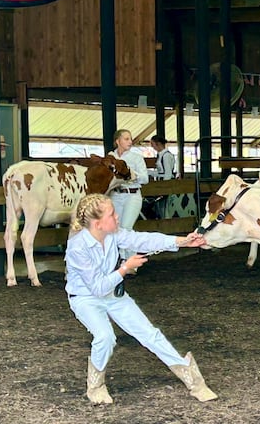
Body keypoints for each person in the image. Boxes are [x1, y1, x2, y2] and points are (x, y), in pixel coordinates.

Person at [65, 193, 217, 404]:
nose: (117, 216)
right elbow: (97, 288)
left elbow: (143, 239)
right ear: (98, 224)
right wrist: (125, 268)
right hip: (85, 299)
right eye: (112, 214)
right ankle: (96, 386)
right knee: (105, 337)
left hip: (113, 294)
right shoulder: (77, 247)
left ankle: (193, 381)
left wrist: (182, 241)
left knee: (150, 334)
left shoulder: (113, 234)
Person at [108, 129, 149, 270]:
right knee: (115, 227)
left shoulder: (136, 157)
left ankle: (130, 262)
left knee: (126, 227)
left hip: (132, 194)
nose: (130, 142)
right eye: (126, 139)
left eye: (130, 139)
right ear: (117, 141)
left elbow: (145, 178)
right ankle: (120, 260)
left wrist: (131, 174)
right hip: (115, 194)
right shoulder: (110, 157)